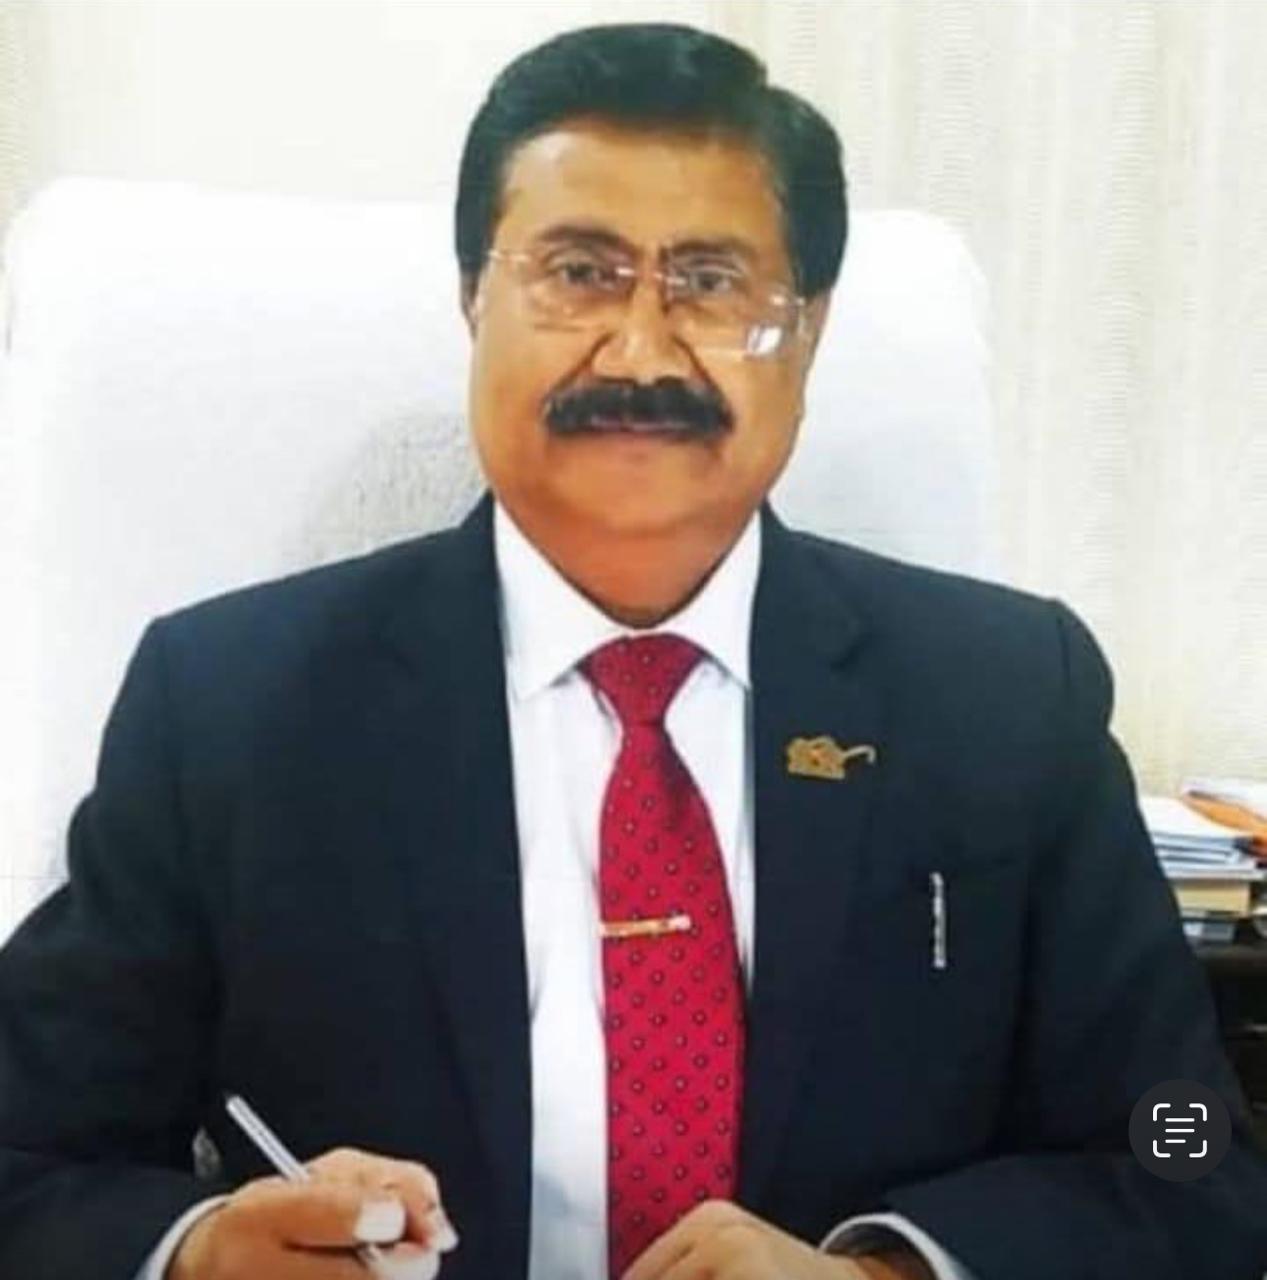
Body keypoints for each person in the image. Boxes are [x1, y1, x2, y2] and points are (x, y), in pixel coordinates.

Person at [0, 21, 1264, 1280]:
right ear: (472, 298)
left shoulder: (1005, 696)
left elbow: (1188, 1147)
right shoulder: (232, 706)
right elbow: (27, 1151)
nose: (643, 350)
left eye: (710, 282)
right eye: (578, 272)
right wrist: (200, 1249)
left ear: (811, 328)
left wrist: (894, 1272)